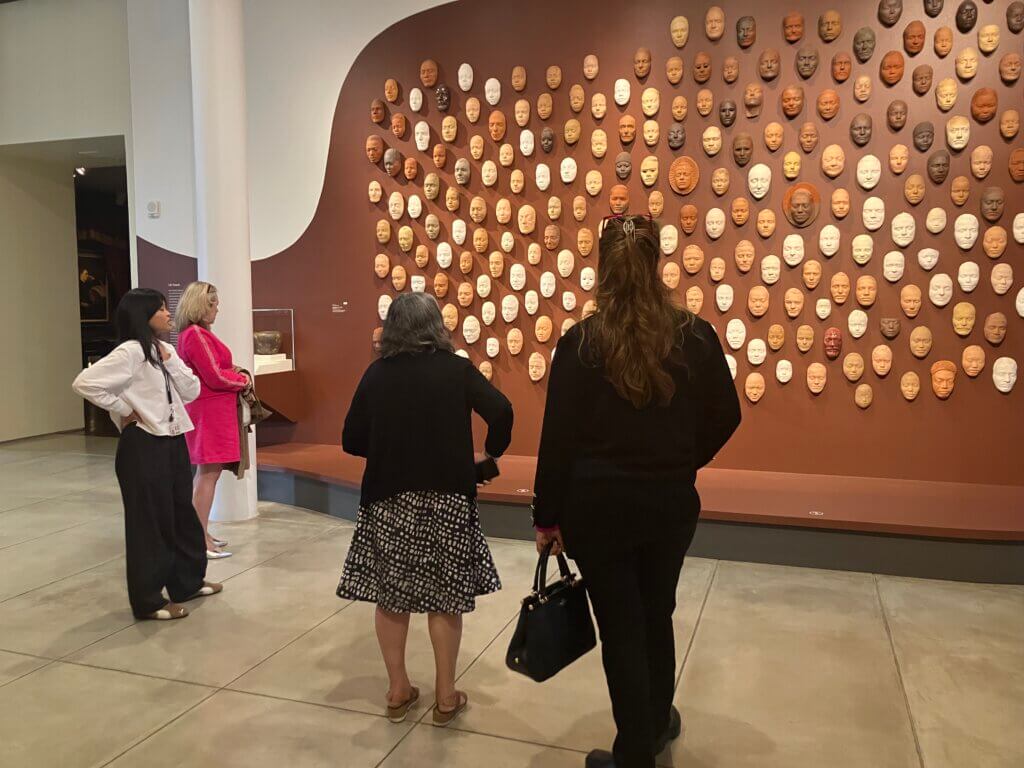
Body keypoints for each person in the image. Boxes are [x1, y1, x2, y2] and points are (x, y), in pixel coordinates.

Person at [532, 215, 741, 768]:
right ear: (657, 264)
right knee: (657, 613)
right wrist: (682, 459)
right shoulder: (694, 336)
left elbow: (557, 442)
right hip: (668, 505)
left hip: (597, 512)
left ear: (602, 268)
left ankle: (635, 753)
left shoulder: (580, 344)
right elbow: (728, 414)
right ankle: (653, 725)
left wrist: (546, 518)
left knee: (622, 627)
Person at [338, 292, 513, 727]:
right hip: (448, 498)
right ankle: (446, 695)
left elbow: (351, 439)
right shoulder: (457, 371)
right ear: (437, 325)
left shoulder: (376, 375)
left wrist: (387, 445)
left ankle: (398, 690)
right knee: (445, 598)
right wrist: (490, 453)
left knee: (392, 597)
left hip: (388, 499)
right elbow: (502, 411)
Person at [72, 288, 222, 620]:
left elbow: (192, 390)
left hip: (172, 440)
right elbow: (85, 383)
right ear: (144, 316)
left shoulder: (165, 349)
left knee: (181, 515)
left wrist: (171, 362)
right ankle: (149, 600)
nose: (168, 314)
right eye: (160, 310)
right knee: (149, 523)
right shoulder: (129, 352)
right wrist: (124, 408)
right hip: (142, 444)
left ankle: (186, 582)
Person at [175, 281, 252, 559]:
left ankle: (201, 533)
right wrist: (241, 379)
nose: (218, 309)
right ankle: (198, 539)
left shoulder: (198, 334)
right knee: (208, 474)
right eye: (213, 304)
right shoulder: (195, 335)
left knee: (209, 473)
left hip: (211, 410)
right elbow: (214, 376)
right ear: (201, 305)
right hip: (208, 412)